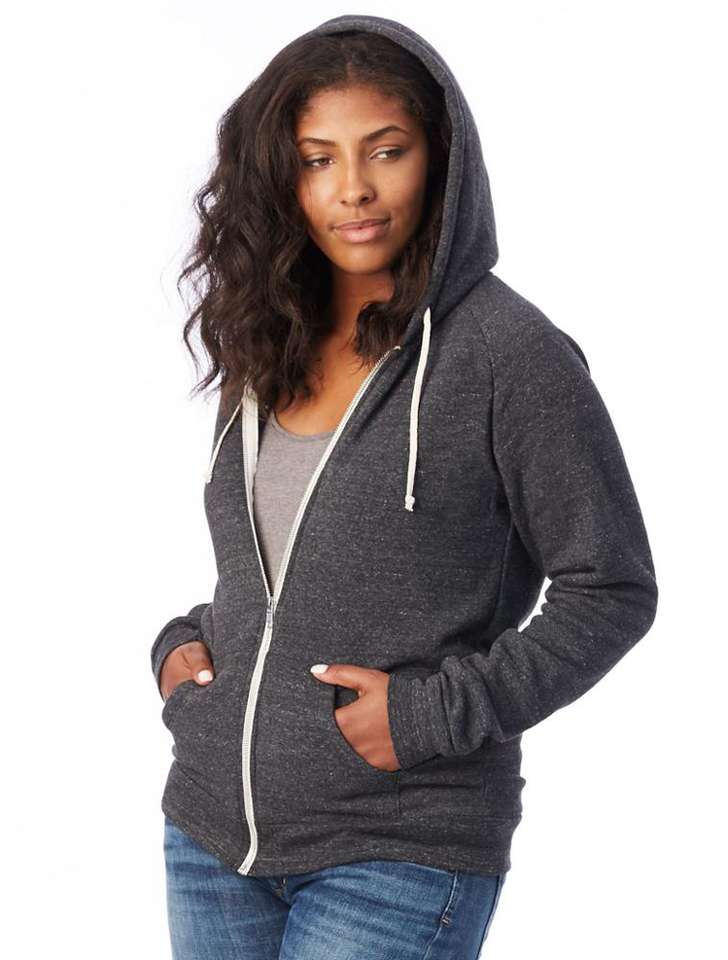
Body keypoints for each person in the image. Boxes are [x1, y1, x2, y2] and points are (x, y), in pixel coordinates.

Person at [151, 14, 658, 959]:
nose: (353, 188)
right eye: (318, 160)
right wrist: (187, 643)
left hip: (400, 852)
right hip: (211, 836)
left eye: (386, 151)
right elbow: (279, 567)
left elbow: (613, 587)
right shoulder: (267, 340)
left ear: (442, 160)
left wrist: (431, 713)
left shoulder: (510, 355)